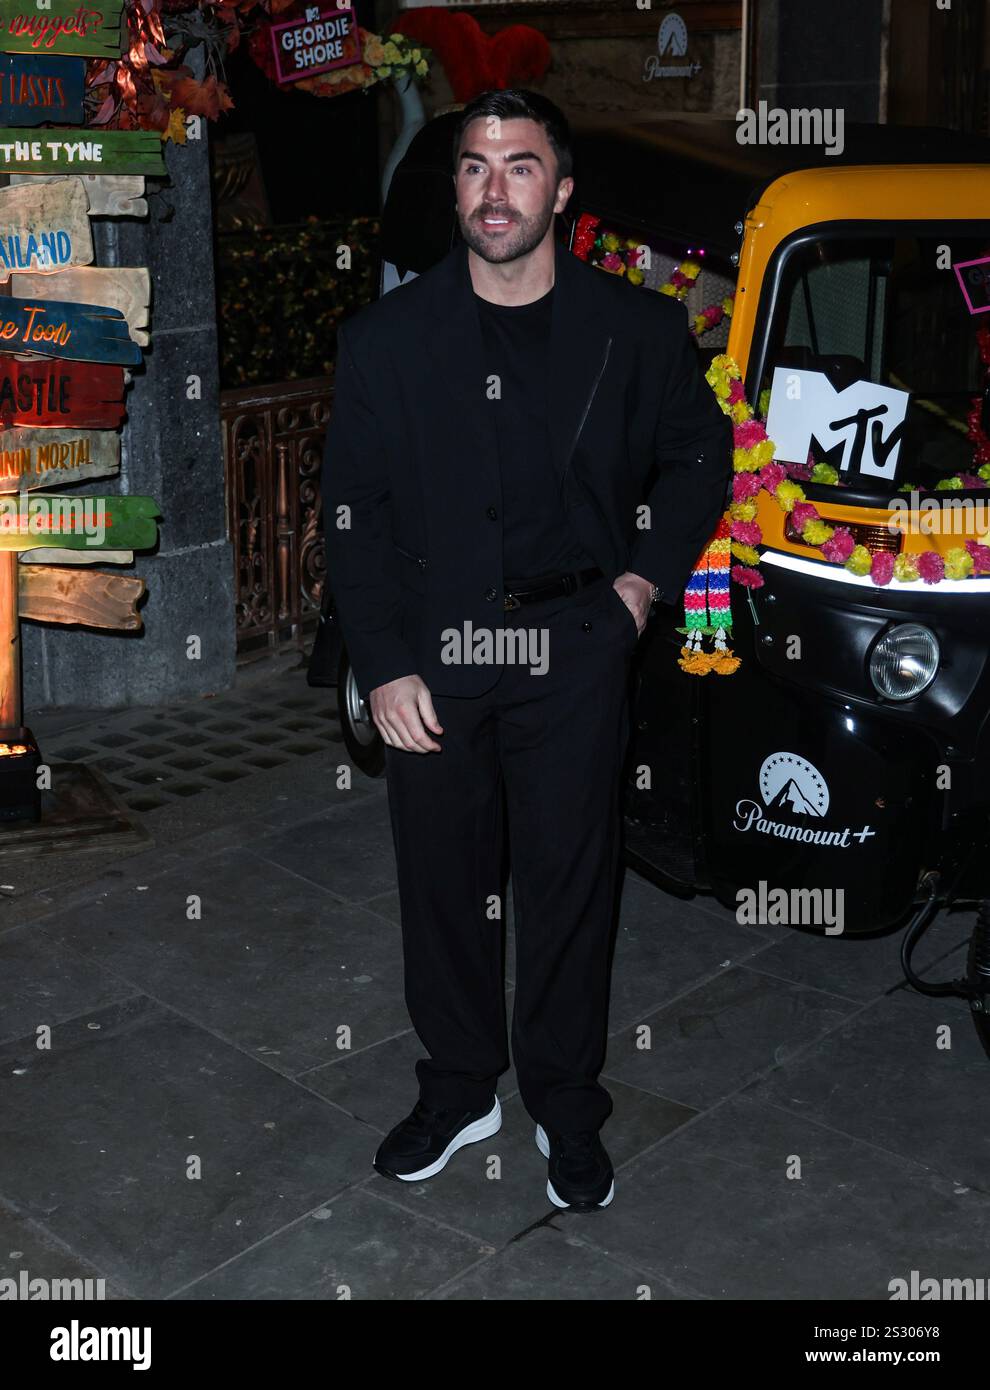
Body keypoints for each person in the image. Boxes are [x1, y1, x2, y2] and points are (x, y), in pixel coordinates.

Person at [322, 89, 731, 1212]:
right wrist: (385, 659)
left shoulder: (636, 330)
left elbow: (704, 456)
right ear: (452, 186)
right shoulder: (386, 342)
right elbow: (350, 509)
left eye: (519, 165)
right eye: (472, 166)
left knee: (568, 884)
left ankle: (563, 1098)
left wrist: (643, 583)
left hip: (576, 646)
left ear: (561, 189)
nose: (493, 188)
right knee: (442, 884)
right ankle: (461, 1087)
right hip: (438, 654)